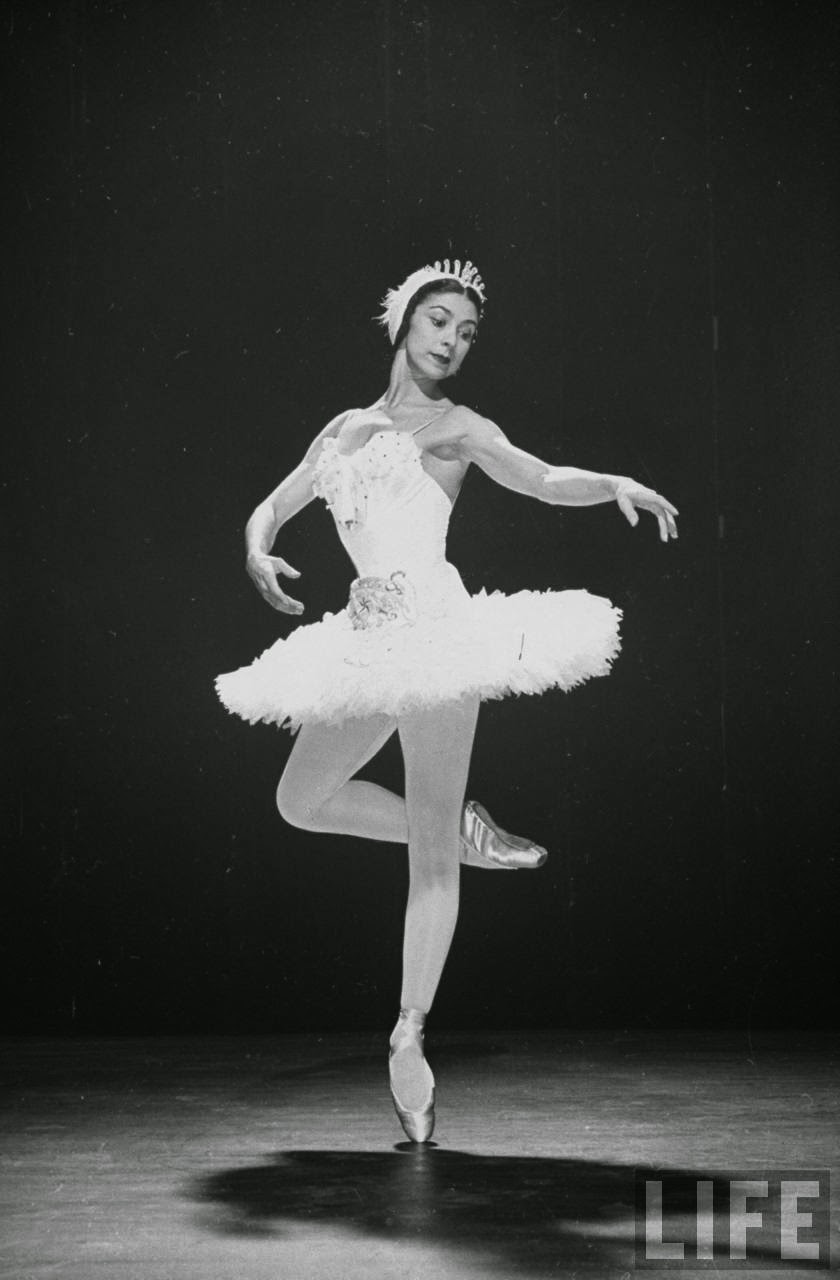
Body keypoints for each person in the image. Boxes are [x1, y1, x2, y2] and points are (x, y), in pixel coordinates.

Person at [215, 259, 678, 1143]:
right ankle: (463, 828)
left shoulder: (458, 428)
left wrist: (609, 484)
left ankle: (408, 1035)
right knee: (299, 800)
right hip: (363, 640)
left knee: (428, 861)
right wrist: (256, 550)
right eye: (439, 320)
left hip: (434, 632)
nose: (452, 340)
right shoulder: (345, 429)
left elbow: (539, 476)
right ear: (401, 323)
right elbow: (271, 508)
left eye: (466, 332)